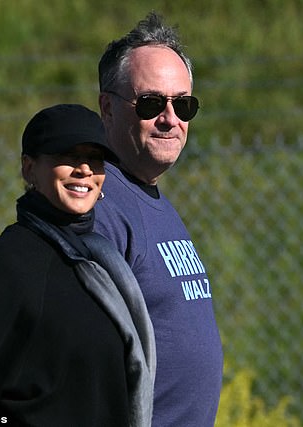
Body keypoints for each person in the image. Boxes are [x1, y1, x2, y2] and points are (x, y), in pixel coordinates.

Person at [0, 104, 156, 427]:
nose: (83, 169)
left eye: (94, 159)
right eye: (67, 156)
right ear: (29, 169)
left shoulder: (101, 262)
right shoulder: (8, 267)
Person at [95, 12, 223, 426]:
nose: (171, 119)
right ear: (107, 109)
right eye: (151, 103)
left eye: (183, 105)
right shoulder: (100, 206)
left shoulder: (148, 197)